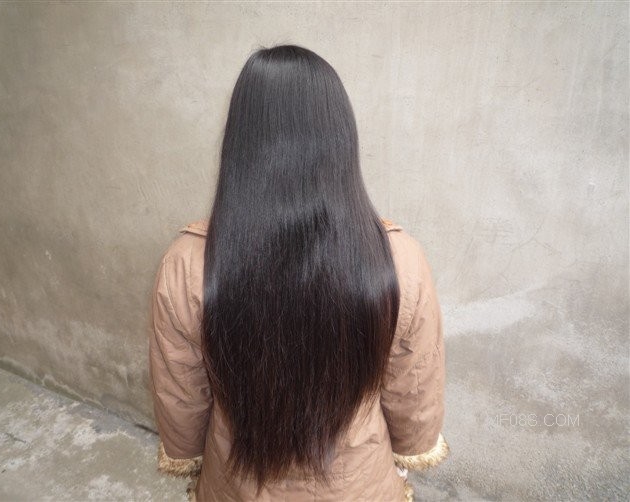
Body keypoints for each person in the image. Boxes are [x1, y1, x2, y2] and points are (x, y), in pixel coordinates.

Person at [149, 44, 449, 501]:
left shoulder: (187, 264)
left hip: (238, 485)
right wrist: (412, 446)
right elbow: (414, 383)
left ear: (240, 142)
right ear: (341, 139)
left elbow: (182, 392)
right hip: (356, 486)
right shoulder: (399, 260)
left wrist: (186, 451)